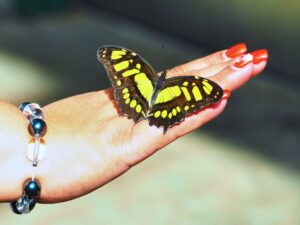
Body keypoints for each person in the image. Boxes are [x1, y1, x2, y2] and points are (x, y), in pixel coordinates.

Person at [0, 43, 268, 203]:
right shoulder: (184, 86)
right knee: (169, 101)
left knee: (150, 101)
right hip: (161, 101)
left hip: (139, 95)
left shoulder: (142, 74)